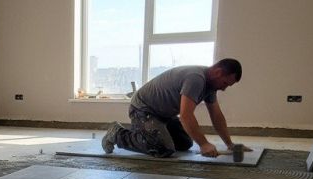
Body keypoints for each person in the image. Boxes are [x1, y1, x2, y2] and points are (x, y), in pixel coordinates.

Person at [102, 58, 250, 158]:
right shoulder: (196, 78)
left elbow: (216, 116)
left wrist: (230, 144)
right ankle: (117, 134)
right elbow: (186, 115)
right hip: (143, 109)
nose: (224, 88)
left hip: (164, 114)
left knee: (185, 144)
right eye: (225, 83)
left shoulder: (210, 86)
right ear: (218, 73)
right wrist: (204, 144)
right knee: (164, 149)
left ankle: (150, 133)